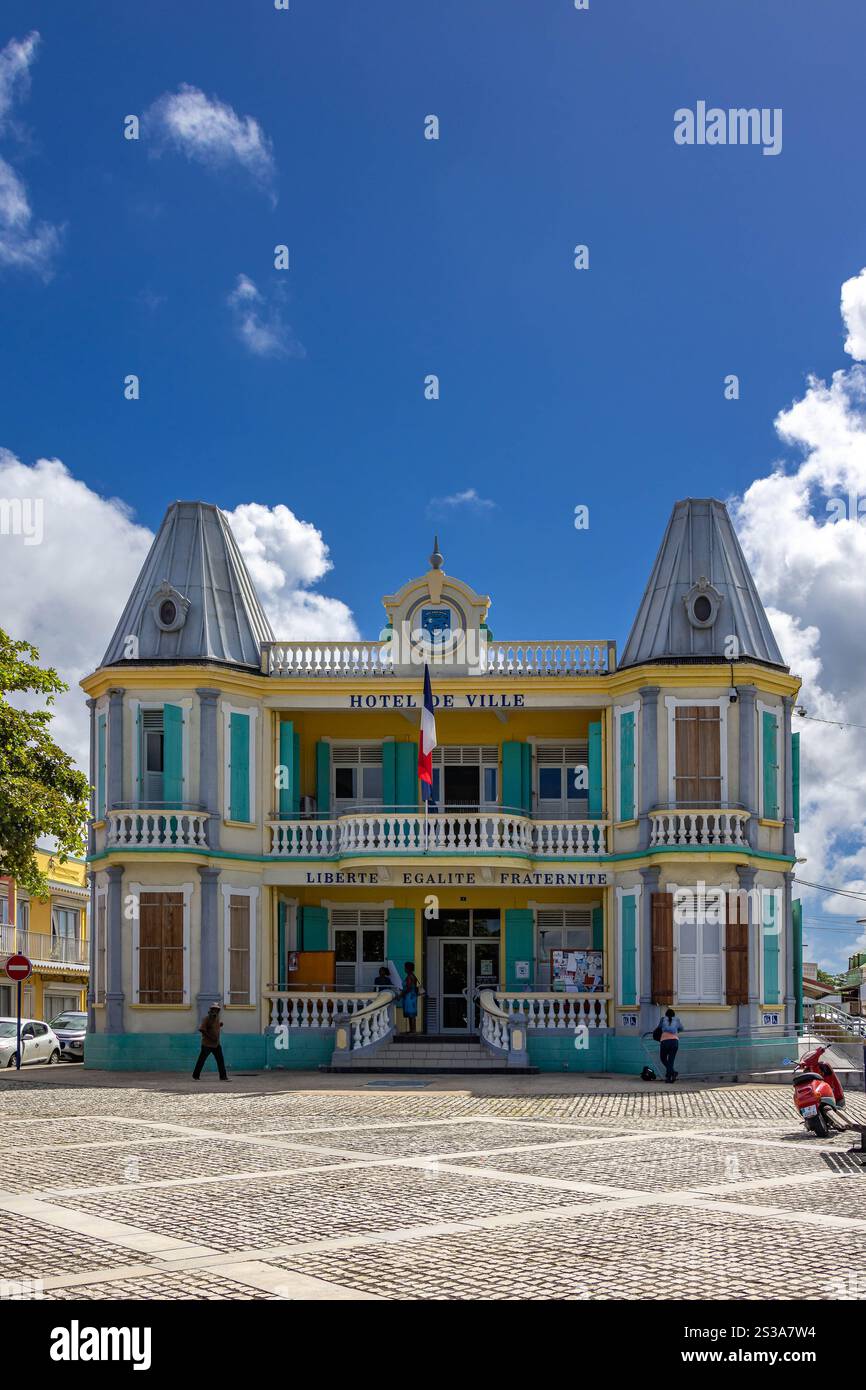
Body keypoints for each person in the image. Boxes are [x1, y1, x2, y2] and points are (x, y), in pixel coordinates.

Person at [192, 1002, 229, 1080]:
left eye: (217, 1010)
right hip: (207, 1045)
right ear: (211, 1010)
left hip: (216, 1044)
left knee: (220, 1061)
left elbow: (213, 1026)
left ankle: (223, 1077)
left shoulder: (216, 1018)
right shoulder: (206, 1019)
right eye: (214, 1009)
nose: (215, 1011)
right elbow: (202, 1029)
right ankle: (195, 1076)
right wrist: (211, 1037)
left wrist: (220, 1025)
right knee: (201, 1060)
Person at [658, 1007, 683, 1083]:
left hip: (665, 1041)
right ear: (674, 1015)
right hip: (674, 1041)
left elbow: (659, 1027)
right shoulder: (677, 1020)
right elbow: (681, 1028)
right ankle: (669, 1077)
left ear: (666, 1014)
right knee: (671, 1061)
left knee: (663, 1058)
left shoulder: (663, 1019)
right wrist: (676, 1030)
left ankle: (672, 1073)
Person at [401, 961, 422, 1034]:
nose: (404, 969)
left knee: (411, 1014)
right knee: (411, 1014)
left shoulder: (410, 977)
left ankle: (413, 1030)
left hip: (409, 997)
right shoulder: (413, 975)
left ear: (407, 968)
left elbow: (409, 988)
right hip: (412, 996)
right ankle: (412, 1030)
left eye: (405, 967)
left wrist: (401, 994)